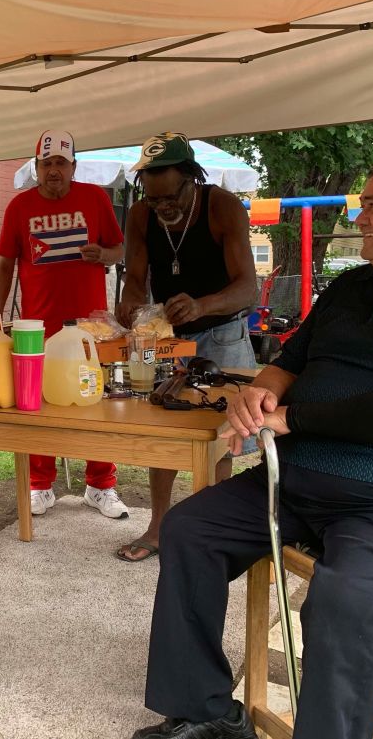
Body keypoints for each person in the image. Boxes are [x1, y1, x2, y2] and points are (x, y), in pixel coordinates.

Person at [132, 152, 373, 739]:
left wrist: (292, 419)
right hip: (305, 480)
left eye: (372, 205)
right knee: (190, 530)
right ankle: (207, 712)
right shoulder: (353, 285)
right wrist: (260, 394)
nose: (358, 217)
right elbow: (291, 360)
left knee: (344, 595)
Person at [114, 132, 258, 561]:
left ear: (192, 177)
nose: (163, 207)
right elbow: (137, 277)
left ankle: (208, 534)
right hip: (168, 339)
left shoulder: (222, 207)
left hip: (222, 333)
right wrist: (130, 303)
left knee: (217, 436)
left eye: (170, 196)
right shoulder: (141, 214)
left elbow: (248, 289)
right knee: (162, 433)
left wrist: (201, 305)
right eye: (154, 199)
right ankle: (158, 527)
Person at [0, 129, 128, 519]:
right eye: (46, 163)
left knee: (94, 400)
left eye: (61, 163)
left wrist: (103, 253)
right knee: (36, 403)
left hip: (90, 325)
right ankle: (39, 485)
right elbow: (4, 263)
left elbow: (119, 250)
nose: (54, 170)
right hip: (37, 324)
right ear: (36, 168)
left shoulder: (95, 198)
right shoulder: (19, 207)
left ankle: (100, 485)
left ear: (74, 167)